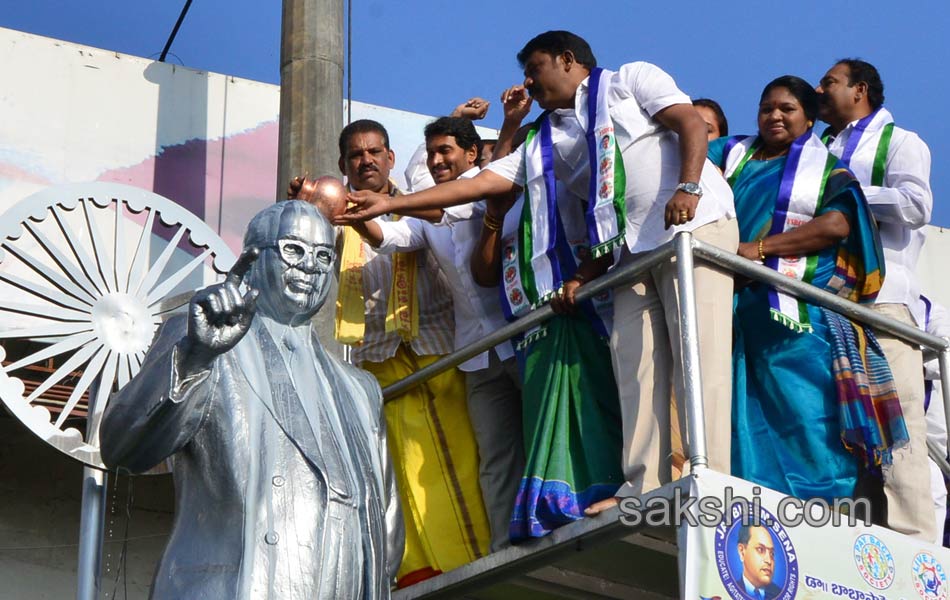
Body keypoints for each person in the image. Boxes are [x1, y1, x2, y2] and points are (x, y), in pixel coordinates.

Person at [339, 31, 739, 509]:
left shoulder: (630, 80)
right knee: (636, 366)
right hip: (630, 254)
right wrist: (392, 203)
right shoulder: (548, 139)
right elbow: (480, 183)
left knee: (699, 356)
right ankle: (644, 489)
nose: (528, 81)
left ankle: (708, 480)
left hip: (694, 225)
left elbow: (690, 124)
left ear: (567, 60)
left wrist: (689, 186)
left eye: (534, 68)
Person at [100, 201, 403, 600]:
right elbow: (122, 447)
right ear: (252, 259)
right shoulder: (205, 339)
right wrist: (195, 355)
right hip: (238, 585)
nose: (310, 267)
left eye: (323, 256)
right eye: (294, 251)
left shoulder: (358, 389)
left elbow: (386, 521)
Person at [710, 75, 904, 503]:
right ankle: (757, 503)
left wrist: (758, 249)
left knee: (806, 416)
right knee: (745, 415)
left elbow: (838, 223)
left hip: (797, 318)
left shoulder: (829, 170)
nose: (774, 116)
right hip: (738, 311)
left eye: (787, 109)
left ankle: (824, 509)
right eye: (766, 109)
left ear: (811, 120)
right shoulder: (733, 153)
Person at [318, 119, 491, 586]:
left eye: (375, 152)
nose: (366, 160)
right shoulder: (330, 220)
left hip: (437, 348)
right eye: (356, 155)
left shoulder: (419, 200)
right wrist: (309, 206)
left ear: (391, 158)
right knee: (402, 470)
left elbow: (403, 234)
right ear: (343, 166)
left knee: (461, 457)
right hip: (378, 361)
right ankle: (418, 570)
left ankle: (476, 556)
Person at [351, 116, 524, 552]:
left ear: (471, 154)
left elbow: (453, 204)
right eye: (431, 153)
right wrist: (356, 216)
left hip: (521, 335)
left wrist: (509, 125)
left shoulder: (488, 190)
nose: (436, 160)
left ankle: (548, 526)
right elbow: (389, 238)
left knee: (539, 434)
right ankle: (506, 548)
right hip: (475, 352)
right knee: (493, 456)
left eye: (445, 151)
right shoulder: (425, 216)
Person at [468, 88, 624, 541]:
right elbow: (484, 272)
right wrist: (494, 219)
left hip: (580, 308)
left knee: (592, 404)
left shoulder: (566, 178)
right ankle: (551, 506)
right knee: (542, 419)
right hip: (530, 324)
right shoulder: (498, 203)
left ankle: (599, 491)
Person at [816, 58, 935, 540]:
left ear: (859, 90)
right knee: (840, 415)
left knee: (899, 414)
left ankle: (914, 539)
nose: (820, 90)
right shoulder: (817, 146)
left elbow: (915, 205)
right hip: (825, 299)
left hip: (883, 299)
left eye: (830, 83)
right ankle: (857, 534)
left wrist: (849, 197)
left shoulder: (902, 141)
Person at [921, 295, 949, 546]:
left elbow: (946, 351)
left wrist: (911, 363)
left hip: (936, 448)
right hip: (916, 444)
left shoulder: (927, 307)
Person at [737, 525, 782, 600]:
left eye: (772, 554)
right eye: (760, 549)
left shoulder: (780, 594)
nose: (769, 561)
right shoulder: (728, 590)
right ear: (742, 552)